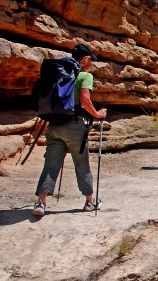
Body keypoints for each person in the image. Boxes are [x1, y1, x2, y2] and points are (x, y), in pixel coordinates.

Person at [33, 44, 107, 216]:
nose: (90, 64)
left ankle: (40, 203)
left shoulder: (58, 73)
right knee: (82, 164)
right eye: (90, 60)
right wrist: (98, 114)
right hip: (75, 127)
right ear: (85, 59)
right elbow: (85, 99)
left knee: (50, 164)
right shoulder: (84, 75)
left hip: (54, 125)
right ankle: (90, 202)